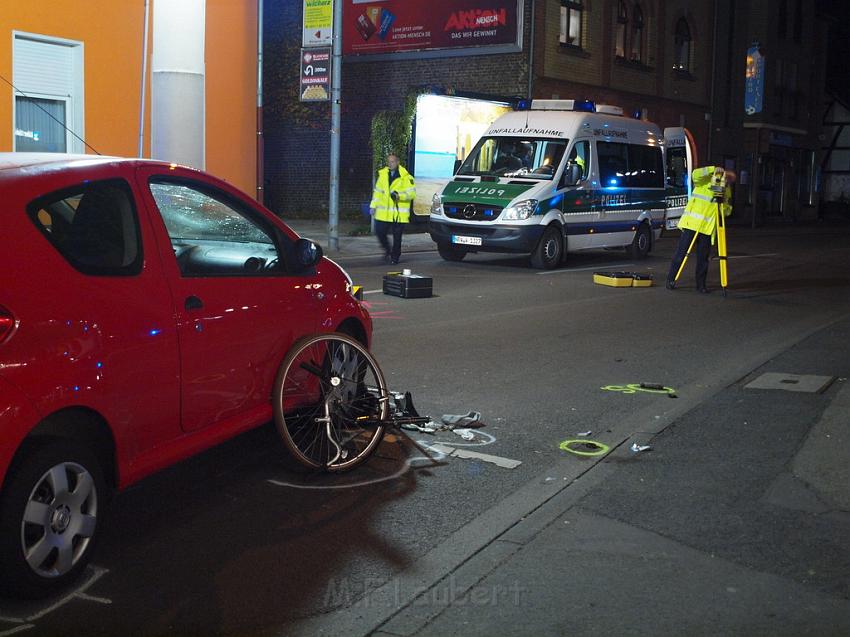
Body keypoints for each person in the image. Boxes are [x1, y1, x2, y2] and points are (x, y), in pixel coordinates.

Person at [666, 166, 736, 293]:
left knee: (703, 258)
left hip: (708, 229)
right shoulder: (704, 180)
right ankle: (671, 279)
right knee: (681, 253)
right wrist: (713, 169)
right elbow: (695, 174)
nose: (728, 180)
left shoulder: (726, 189)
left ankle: (701, 285)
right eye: (727, 176)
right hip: (692, 224)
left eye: (730, 179)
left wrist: (722, 205)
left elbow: (727, 210)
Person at [370, 153, 416, 264]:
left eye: (392, 161)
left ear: (397, 162)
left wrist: (399, 196)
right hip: (384, 213)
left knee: (397, 237)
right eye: (389, 162)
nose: (390, 164)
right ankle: (387, 250)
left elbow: (412, 194)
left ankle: (395, 257)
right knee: (379, 232)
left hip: (398, 213)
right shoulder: (383, 175)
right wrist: (373, 206)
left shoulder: (406, 177)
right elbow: (377, 192)